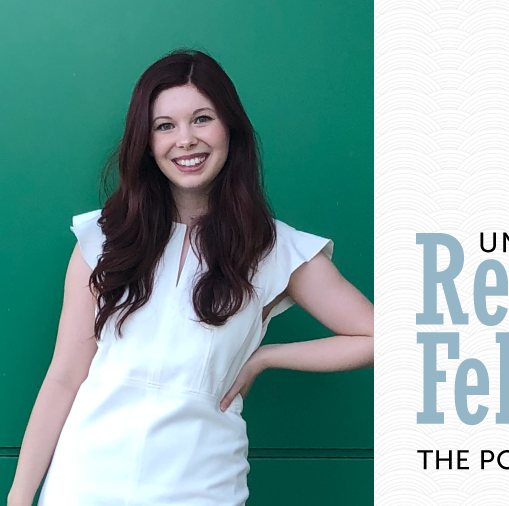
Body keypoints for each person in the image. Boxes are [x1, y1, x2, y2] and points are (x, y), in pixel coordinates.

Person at [6, 49, 374, 505]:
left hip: (203, 486)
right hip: (84, 484)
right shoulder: (102, 239)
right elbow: (64, 376)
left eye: (202, 119)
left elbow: (380, 337)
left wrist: (265, 356)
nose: (185, 140)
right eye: (165, 126)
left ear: (230, 129)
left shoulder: (273, 247)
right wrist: (21, 495)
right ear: (146, 140)